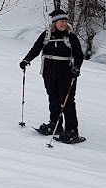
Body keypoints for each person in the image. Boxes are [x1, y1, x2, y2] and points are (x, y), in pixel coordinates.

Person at [20, 9, 85, 143]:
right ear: (54, 23)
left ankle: (72, 130)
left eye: (66, 21)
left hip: (67, 74)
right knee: (53, 99)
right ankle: (55, 124)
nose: (64, 23)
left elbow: (79, 55)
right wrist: (26, 60)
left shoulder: (71, 37)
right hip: (49, 73)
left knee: (67, 102)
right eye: (61, 21)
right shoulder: (46, 35)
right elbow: (36, 48)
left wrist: (77, 68)